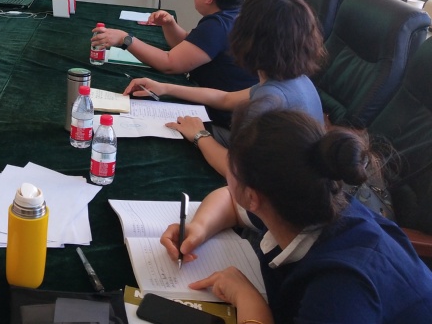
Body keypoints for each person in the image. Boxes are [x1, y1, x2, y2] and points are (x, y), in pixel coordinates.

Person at [159, 108, 432, 323]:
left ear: (252, 196)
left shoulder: (339, 290)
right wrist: (199, 227)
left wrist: (247, 299)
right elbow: (230, 200)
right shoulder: (307, 202)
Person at [125, 0, 325, 176]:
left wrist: (199, 135)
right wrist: (165, 87)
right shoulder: (295, 80)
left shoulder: (269, 100)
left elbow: (236, 171)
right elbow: (226, 98)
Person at [93, 0, 258, 124]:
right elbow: (190, 47)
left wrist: (125, 39)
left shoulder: (217, 26)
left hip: (223, 116)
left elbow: (169, 64)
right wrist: (169, 24)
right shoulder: (235, 17)